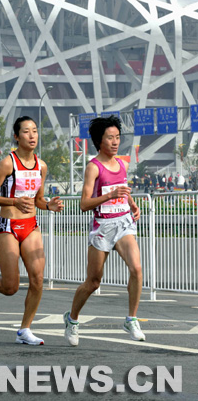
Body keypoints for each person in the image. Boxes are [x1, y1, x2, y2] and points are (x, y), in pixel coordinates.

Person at [0, 116, 63, 345]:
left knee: (37, 279)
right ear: (16, 136)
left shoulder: (42, 166)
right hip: (8, 228)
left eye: (35, 131)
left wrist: (48, 206)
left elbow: (38, 200)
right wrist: (13, 202)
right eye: (26, 132)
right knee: (11, 287)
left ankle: (25, 329)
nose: (32, 136)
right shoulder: (8, 163)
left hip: (31, 227)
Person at [63, 115, 143, 347]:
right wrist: (109, 196)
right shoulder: (93, 167)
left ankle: (131, 319)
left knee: (136, 268)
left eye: (117, 137)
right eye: (110, 138)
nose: (115, 142)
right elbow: (84, 204)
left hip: (124, 223)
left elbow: (123, 192)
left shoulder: (123, 164)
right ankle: (72, 319)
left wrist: (132, 204)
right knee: (93, 281)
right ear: (100, 140)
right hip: (103, 227)